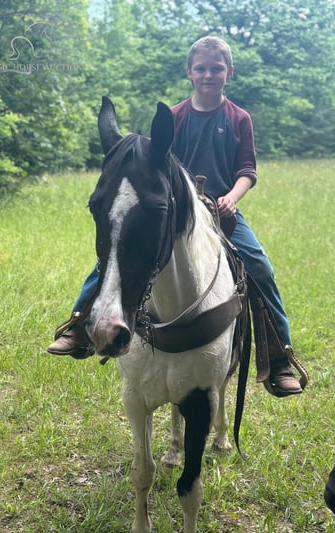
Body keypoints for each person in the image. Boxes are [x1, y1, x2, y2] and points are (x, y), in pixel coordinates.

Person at [48, 36, 303, 396]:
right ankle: (79, 325)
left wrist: (232, 195)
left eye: (216, 68)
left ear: (229, 72)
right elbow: (162, 170)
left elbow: (247, 170)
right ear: (189, 72)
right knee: (117, 254)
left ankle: (278, 357)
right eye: (201, 68)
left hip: (223, 213)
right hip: (180, 212)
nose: (208, 74)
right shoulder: (176, 116)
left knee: (260, 267)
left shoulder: (238, 119)